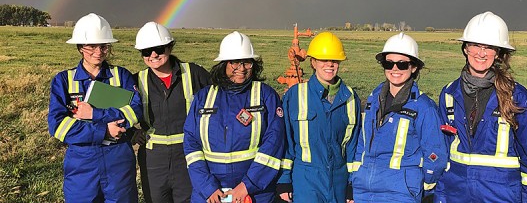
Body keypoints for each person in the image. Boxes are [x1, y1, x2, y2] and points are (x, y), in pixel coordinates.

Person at [434, 12, 527, 202]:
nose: (481, 53)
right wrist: (440, 195)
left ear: (498, 53)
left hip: (501, 196)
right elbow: (443, 154)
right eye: (475, 45)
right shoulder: (449, 94)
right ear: (465, 48)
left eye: (489, 47)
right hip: (455, 194)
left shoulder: (517, 97)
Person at [48, 13, 142, 203]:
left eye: (104, 46)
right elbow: (58, 126)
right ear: (80, 47)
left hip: (118, 161)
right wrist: (104, 131)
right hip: (82, 163)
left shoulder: (121, 75)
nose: (98, 51)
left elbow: (135, 110)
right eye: (91, 45)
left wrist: (95, 114)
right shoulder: (63, 80)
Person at [183, 31, 285, 203]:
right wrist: (208, 188)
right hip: (210, 194)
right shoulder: (204, 97)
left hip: (254, 192)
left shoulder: (266, 96)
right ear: (223, 64)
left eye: (247, 62)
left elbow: (274, 144)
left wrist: (246, 186)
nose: (242, 68)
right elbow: (191, 144)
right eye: (235, 62)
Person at [352, 33, 448, 203]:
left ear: (414, 67)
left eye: (402, 64)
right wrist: (355, 178)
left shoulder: (423, 107)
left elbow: (435, 154)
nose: (394, 69)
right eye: (389, 63)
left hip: (400, 194)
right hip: (364, 192)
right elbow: (363, 144)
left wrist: (423, 188)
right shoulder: (372, 101)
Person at [277, 31, 361, 203]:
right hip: (306, 181)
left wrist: (352, 184)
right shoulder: (295, 96)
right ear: (313, 62)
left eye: (334, 60)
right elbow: (286, 141)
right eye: (324, 60)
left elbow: (354, 145)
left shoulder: (351, 98)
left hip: (339, 181)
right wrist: (284, 180)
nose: (329, 65)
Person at [133, 21, 211, 203]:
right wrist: (132, 132)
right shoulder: (136, 79)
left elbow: (221, 100)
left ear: (170, 47)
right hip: (153, 160)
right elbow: (116, 111)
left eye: (159, 49)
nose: (153, 55)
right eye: (146, 51)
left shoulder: (194, 73)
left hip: (188, 156)